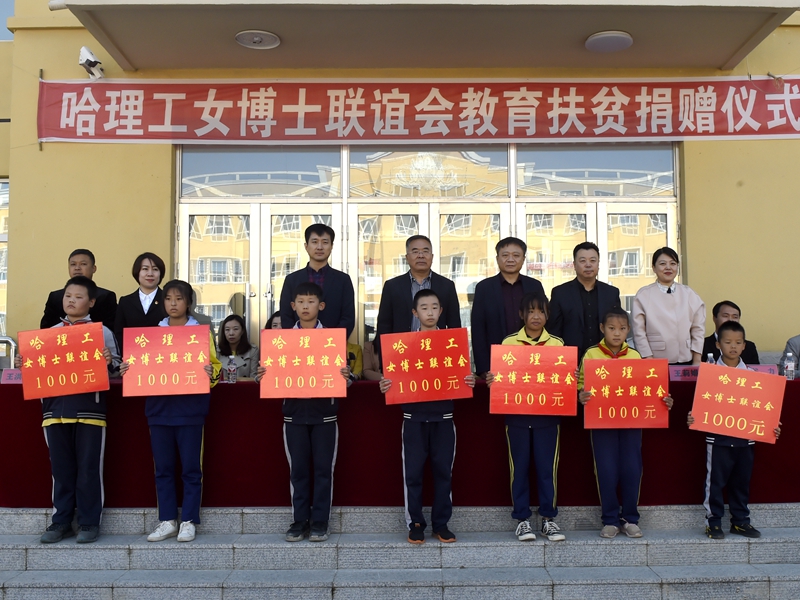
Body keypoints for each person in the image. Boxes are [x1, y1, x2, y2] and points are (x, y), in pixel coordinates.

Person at [15, 275, 121, 544]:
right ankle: (61, 521)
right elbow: (35, 371)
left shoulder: (102, 332)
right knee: (60, 470)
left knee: (88, 469)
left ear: (91, 302)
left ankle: (88, 522)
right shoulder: (46, 335)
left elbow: (119, 370)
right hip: (54, 410)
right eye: (68, 296)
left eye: (78, 297)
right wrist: (23, 363)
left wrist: (110, 361)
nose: (71, 301)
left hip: (90, 410)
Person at [121, 279, 221, 544]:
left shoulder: (200, 334)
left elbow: (215, 367)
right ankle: (167, 519)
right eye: (168, 299)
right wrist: (128, 370)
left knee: (191, 469)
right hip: (159, 410)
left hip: (190, 410)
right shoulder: (151, 335)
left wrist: (210, 372)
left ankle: (188, 520)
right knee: (163, 469)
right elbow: (138, 368)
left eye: (179, 298)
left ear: (189, 302)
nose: (173, 304)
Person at [256, 282, 354, 543]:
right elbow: (268, 376)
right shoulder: (281, 340)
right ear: (293, 306)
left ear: (321, 306)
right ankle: (300, 520)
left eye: (311, 302)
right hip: (294, 414)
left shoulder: (332, 339)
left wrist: (346, 377)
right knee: (298, 471)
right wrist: (262, 376)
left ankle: (320, 521)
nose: (306, 306)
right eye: (300, 302)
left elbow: (346, 378)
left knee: (323, 470)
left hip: (325, 414)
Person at [378, 289, 475, 544]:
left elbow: (465, 376)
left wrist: (468, 379)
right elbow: (394, 379)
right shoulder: (403, 345)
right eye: (424, 308)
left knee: (443, 472)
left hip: (444, 417)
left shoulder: (453, 343)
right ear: (415, 312)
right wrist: (387, 384)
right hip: (414, 418)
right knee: (413, 473)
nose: (429, 312)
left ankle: (441, 523)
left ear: (441, 311)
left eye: (434, 307)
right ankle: (415, 522)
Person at [578, 306, 673, 539]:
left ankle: (630, 518)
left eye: (621, 329)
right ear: (602, 328)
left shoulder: (635, 356)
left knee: (632, 468)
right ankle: (610, 519)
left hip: (631, 422)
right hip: (601, 422)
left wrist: (664, 401)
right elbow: (580, 384)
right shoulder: (591, 354)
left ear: (628, 330)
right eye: (611, 328)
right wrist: (580, 395)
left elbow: (647, 389)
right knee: (606, 469)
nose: (616, 333)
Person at [687, 321, 781, 539]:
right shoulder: (710, 374)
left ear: (744, 345)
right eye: (728, 342)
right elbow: (700, 405)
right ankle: (713, 521)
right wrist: (693, 416)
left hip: (745, 439)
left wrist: (771, 426)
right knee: (715, 482)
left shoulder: (754, 377)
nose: (733, 346)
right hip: (718, 439)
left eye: (738, 342)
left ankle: (740, 521)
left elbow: (763, 408)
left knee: (741, 482)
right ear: (718, 344)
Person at [486, 291, 567, 543]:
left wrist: (570, 376)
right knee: (519, 469)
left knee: (546, 469)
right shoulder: (508, 343)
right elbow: (500, 378)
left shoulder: (558, 344)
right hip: (517, 417)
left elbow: (563, 381)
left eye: (541, 311)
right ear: (521, 314)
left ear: (548, 316)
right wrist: (492, 380)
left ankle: (548, 519)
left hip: (548, 418)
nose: (536, 316)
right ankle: (522, 519)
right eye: (531, 311)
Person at [471, 237, 545, 378]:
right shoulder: (484, 288)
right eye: (505, 255)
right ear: (497, 258)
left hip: (531, 358)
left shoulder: (534, 286)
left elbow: (543, 320)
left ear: (523, 259)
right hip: (496, 361)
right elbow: (478, 329)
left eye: (516, 255)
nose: (510, 259)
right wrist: (483, 368)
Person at [376, 235, 460, 357]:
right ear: (407, 257)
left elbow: (454, 326)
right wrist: (385, 358)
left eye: (425, 251)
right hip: (402, 354)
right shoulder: (392, 286)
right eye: (415, 251)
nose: (421, 256)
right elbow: (384, 326)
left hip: (437, 354)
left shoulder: (446, 286)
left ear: (432, 257)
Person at [632, 247, 705, 365]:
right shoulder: (644, 295)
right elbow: (639, 331)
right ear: (654, 268)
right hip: (655, 360)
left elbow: (698, 329)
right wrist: (648, 359)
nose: (668, 267)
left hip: (686, 359)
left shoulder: (689, 294)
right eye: (662, 264)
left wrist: (697, 359)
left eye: (673, 263)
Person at [279, 224, 355, 337]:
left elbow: (348, 317)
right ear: (306, 246)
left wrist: (333, 339)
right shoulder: (292, 279)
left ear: (331, 246)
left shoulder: (343, 280)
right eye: (314, 242)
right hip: (298, 342)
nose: (319, 247)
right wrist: (295, 339)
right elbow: (286, 315)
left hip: (332, 343)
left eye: (325, 242)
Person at [548, 242, 621, 359]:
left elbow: (618, 327)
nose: (588, 265)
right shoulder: (560, 293)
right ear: (574, 265)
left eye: (593, 260)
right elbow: (554, 332)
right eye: (582, 261)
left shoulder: (611, 293)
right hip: (570, 360)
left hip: (604, 358)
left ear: (598, 264)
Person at [41, 249, 117, 330]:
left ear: (94, 268)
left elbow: (111, 327)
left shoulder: (106, 296)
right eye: (73, 264)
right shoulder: (55, 297)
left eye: (83, 264)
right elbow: (46, 330)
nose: (77, 268)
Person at [114, 252, 167, 350]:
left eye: (155, 269)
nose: (150, 274)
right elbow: (119, 333)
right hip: (132, 356)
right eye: (145, 269)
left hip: (161, 355)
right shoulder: (125, 302)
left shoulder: (167, 300)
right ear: (137, 272)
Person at [218, 314, 259, 380]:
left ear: (242, 331)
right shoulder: (217, 351)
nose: (231, 333)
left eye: (235, 329)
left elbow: (254, 379)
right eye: (227, 329)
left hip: (245, 386)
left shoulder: (252, 351)